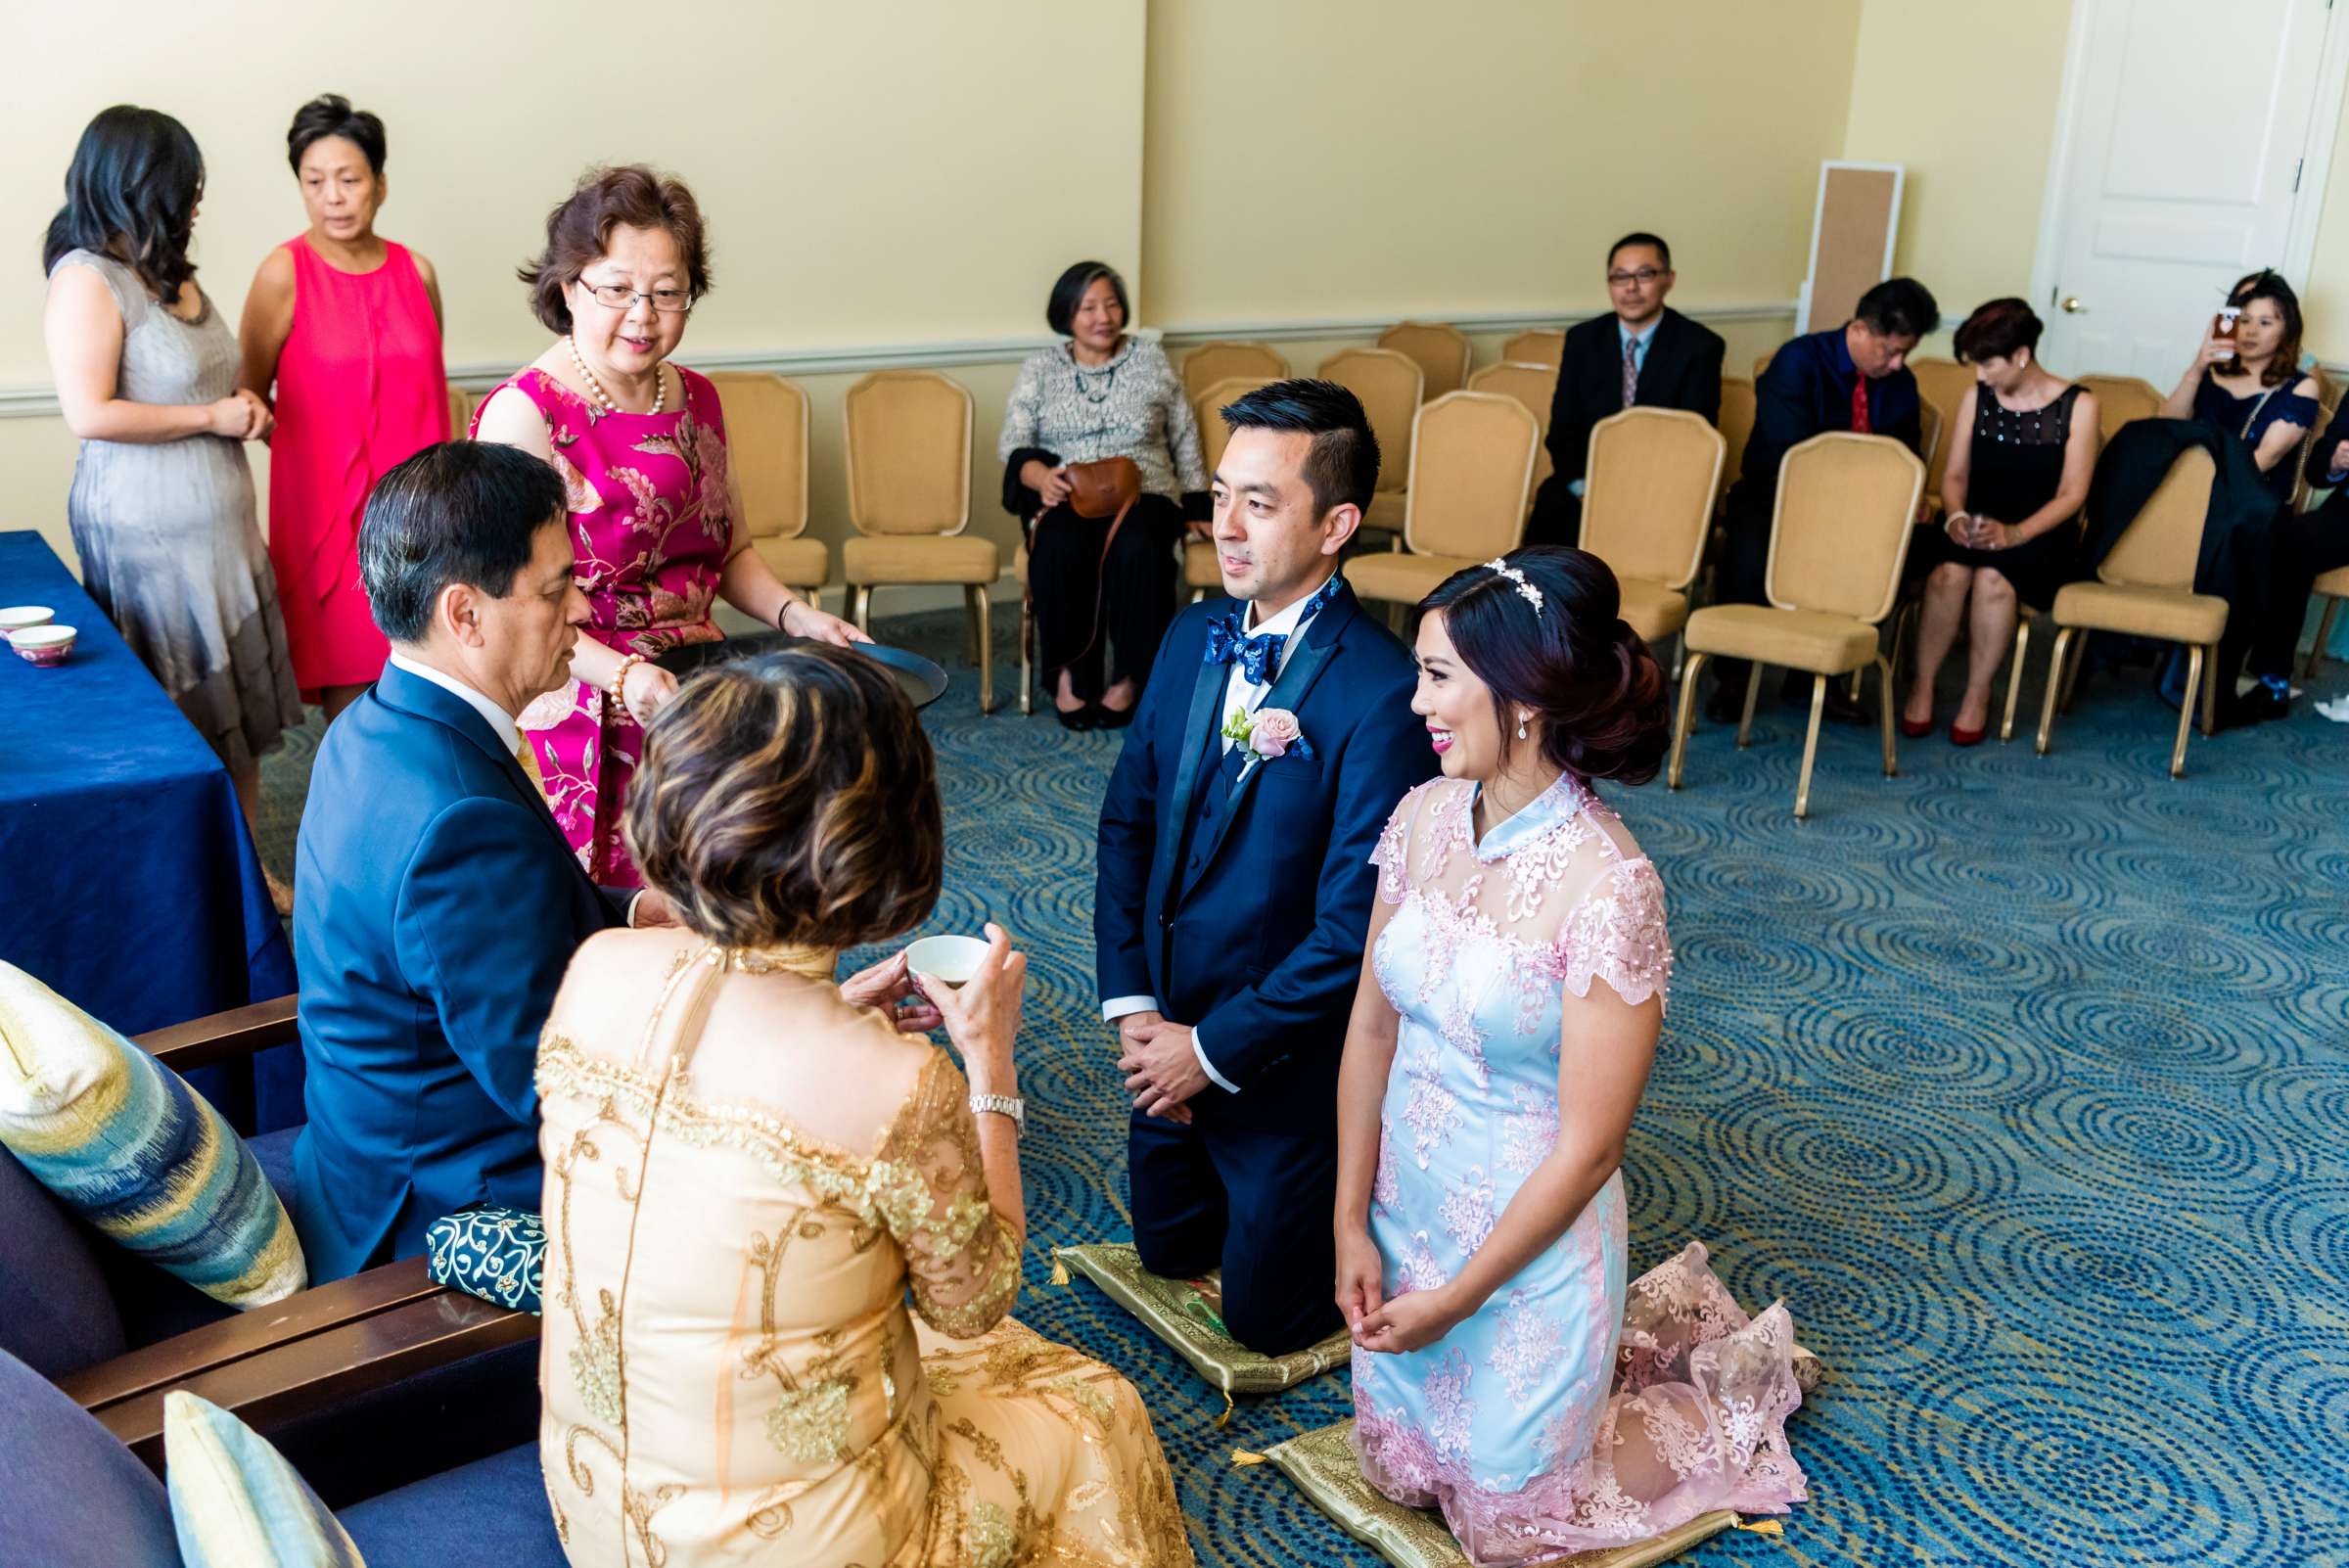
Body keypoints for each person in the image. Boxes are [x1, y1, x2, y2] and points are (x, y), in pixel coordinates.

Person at [536, 648, 1192, 1568]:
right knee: (1090, 1405)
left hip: (598, 1506)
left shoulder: (598, 969)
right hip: (809, 1551)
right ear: (884, 847)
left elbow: (702, 1084)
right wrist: (988, 1060)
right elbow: (981, 1298)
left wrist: (834, 1014)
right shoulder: (893, 1087)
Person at [1336, 547, 1807, 1563]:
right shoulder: (1420, 819)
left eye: (1437, 675)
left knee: (1509, 1529)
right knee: (1399, 1466)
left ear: (1521, 701)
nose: (1414, 699)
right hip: (1408, 1209)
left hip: (1529, 1246)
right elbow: (1372, 1027)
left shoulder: (1611, 886)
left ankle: (1722, 1385)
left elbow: (1592, 1149)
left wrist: (1459, 1300)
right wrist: (1347, 1223)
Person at [1095, 379, 1436, 1356]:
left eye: (1260, 502)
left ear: (1337, 525)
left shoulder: (1383, 693)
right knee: (1164, 1250)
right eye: (1218, 497)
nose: (1225, 528)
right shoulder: (1190, 634)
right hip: (1165, 1040)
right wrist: (1139, 1013)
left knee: (1265, 1320)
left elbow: (1351, 936)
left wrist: (1212, 1051)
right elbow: (1127, 826)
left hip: (1282, 1067)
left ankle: (1377, 1186)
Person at [290, 441, 651, 1280]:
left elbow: (498, 932)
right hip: (446, 1216)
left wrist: (637, 911)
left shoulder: (375, 727)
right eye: (558, 588)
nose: (585, 611)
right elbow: (553, 1089)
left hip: (365, 1158)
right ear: (465, 615)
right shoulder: (458, 820)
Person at [474, 164, 863, 886]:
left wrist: (797, 616)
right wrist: (625, 677)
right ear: (568, 286)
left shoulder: (697, 397)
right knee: (612, 924)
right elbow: (516, 602)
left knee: (714, 897)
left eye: (666, 293)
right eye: (616, 289)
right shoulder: (524, 415)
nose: (642, 315)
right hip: (580, 699)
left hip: (692, 690)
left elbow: (731, 548)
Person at [41, 105, 302, 866]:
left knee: (241, 724)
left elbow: (208, 383)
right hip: (150, 541)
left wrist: (243, 409)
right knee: (187, 719)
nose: (196, 201)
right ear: (139, 185)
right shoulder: (88, 278)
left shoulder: (165, 272)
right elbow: (89, 412)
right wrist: (213, 416)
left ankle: (248, 872)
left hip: (220, 536)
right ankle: (196, 885)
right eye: (186, 185)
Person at [238, 93, 448, 723]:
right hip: (328, 526)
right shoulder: (283, 272)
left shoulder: (418, 271)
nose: (333, 196)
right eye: (315, 181)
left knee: (430, 683)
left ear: (380, 186)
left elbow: (429, 389)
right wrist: (314, 459)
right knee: (353, 703)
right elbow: (250, 394)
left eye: (350, 179)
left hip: (418, 518)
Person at [1711, 276, 1940, 724]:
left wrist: (1907, 495)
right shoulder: (1798, 361)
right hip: (1780, 491)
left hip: (1863, 504)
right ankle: (1733, 675)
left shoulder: (1900, 383)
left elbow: (1904, 454)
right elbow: (1788, 450)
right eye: (1890, 351)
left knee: (1897, 544)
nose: (1897, 364)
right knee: (1749, 537)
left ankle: (1821, 675)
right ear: (1859, 328)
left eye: (1905, 353)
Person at [1001, 260, 1206, 729]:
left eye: (1111, 304)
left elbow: (1185, 433)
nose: (1103, 316)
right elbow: (1013, 443)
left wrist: (1197, 502)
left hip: (1146, 490)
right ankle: (1069, 676)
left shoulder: (1151, 358)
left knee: (1141, 551)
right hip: (1067, 492)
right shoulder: (1041, 368)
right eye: (1088, 306)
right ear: (1066, 315)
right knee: (1059, 547)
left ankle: (1132, 678)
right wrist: (1041, 477)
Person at [1902, 300, 2098, 744]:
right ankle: (1924, 684)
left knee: (1992, 579)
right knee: (1948, 574)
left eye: (1988, 364)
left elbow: (2074, 494)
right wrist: (1953, 514)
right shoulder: (1978, 397)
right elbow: (1954, 476)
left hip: (2040, 531)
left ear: (2022, 355)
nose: (1980, 375)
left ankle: (1976, 694)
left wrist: (2016, 533)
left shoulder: (2079, 405)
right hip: (1974, 521)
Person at [2160, 269, 2322, 722]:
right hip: (2189, 494)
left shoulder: (2300, 385)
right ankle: (2122, 637)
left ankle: (2204, 670)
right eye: (2244, 319)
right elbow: (2162, 430)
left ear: (2287, 328)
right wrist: (2195, 368)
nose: (2251, 331)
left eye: (2266, 322)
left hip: (2249, 502)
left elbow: (2265, 459)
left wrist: (2198, 489)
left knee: (2230, 529)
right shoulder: (2210, 374)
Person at [1529, 232, 1726, 545]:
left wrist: (1636, 494)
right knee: (1552, 506)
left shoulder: (1700, 347)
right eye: (1620, 277)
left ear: (1669, 279)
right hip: (1589, 481)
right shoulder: (1583, 340)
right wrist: (1585, 489)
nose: (1631, 288)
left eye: (1644, 274)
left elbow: (1691, 438)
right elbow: (1563, 430)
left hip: (1660, 486)